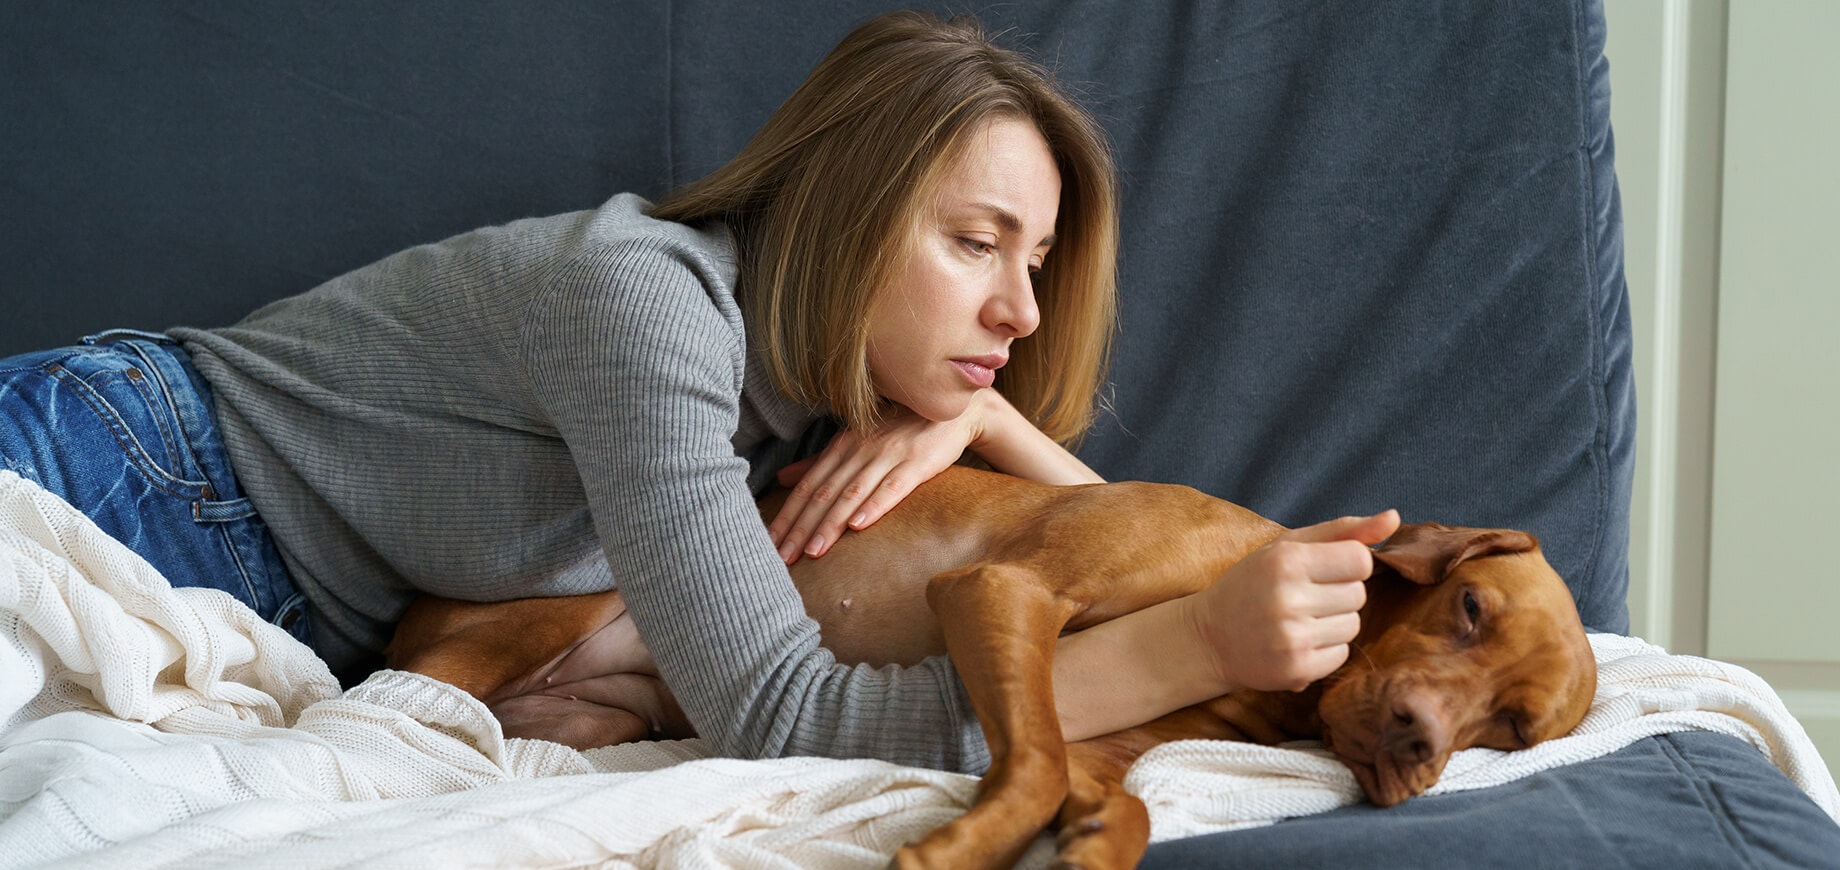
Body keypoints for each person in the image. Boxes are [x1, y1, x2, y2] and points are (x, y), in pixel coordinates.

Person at [0, 10, 1395, 773]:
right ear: (843, 210)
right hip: (120, 465)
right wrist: (1194, 652)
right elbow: (782, 718)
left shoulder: (803, 406)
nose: (1021, 311)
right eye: (975, 244)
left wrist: (988, 416)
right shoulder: (646, 306)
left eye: (1034, 262)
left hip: (251, 598)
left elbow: (1119, 547)